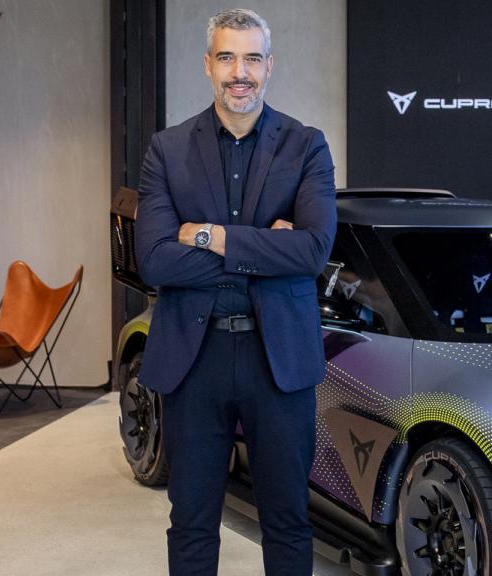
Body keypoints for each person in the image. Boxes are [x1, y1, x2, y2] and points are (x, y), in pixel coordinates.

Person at [133, 8, 336, 575]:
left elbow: (313, 252)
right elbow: (153, 260)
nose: (239, 72)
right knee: (192, 522)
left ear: (269, 66)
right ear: (207, 65)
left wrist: (210, 237)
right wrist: (263, 252)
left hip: (280, 363)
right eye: (226, 57)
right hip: (193, 362)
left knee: (289, 521)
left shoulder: (307, 146)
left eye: (251, 58)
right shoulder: (167, 150)